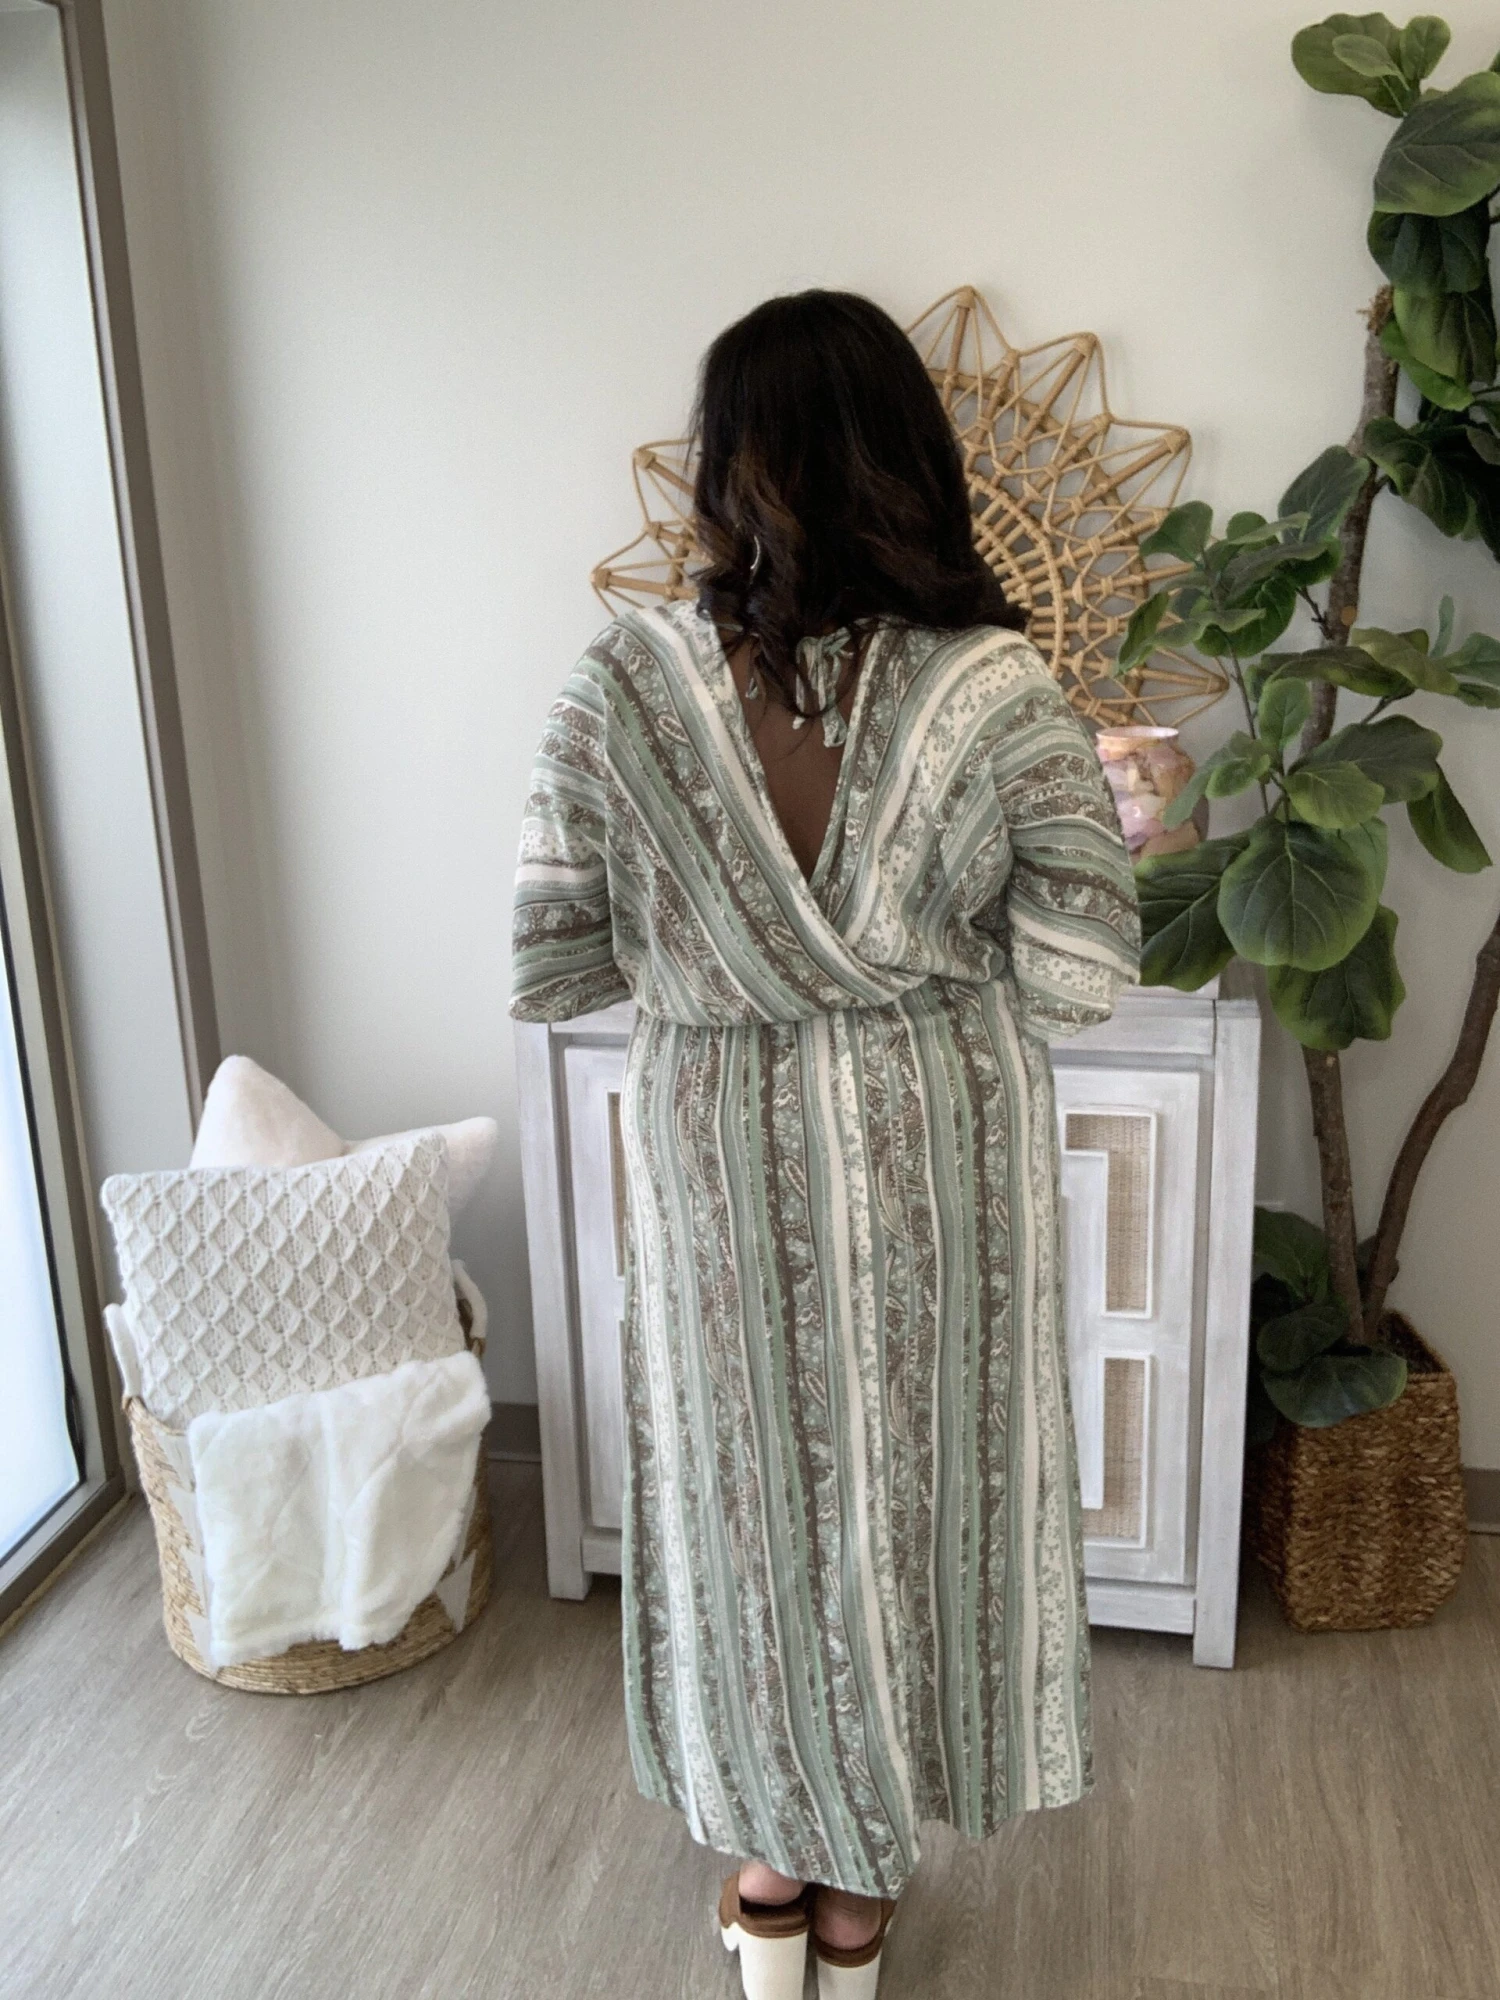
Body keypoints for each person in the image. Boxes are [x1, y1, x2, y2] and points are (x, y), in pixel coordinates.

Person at [510, 289, 1139, 2000]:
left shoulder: (622, 684)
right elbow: (1081, 967)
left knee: (749, 1506)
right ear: (912, 459)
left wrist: (719, 954)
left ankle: (773, 1873)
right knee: (927, 1499)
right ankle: (857, 1904)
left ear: (729, 467)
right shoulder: (998, 687)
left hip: (717, 1150)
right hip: (941, 1144)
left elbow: (555, 957)